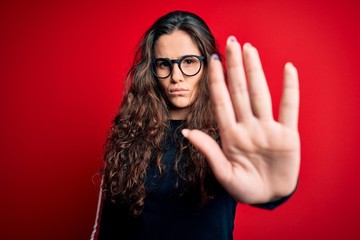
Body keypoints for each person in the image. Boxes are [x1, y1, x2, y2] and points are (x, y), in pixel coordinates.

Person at [91, 10, 300, 240]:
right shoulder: (131, 134)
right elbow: (111, 228)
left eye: (189, 62)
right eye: (164, 64)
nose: (176, 76)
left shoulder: (230, 135)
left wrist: (274, 191)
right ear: (151, 70)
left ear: (207, 65)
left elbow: (261, 186)